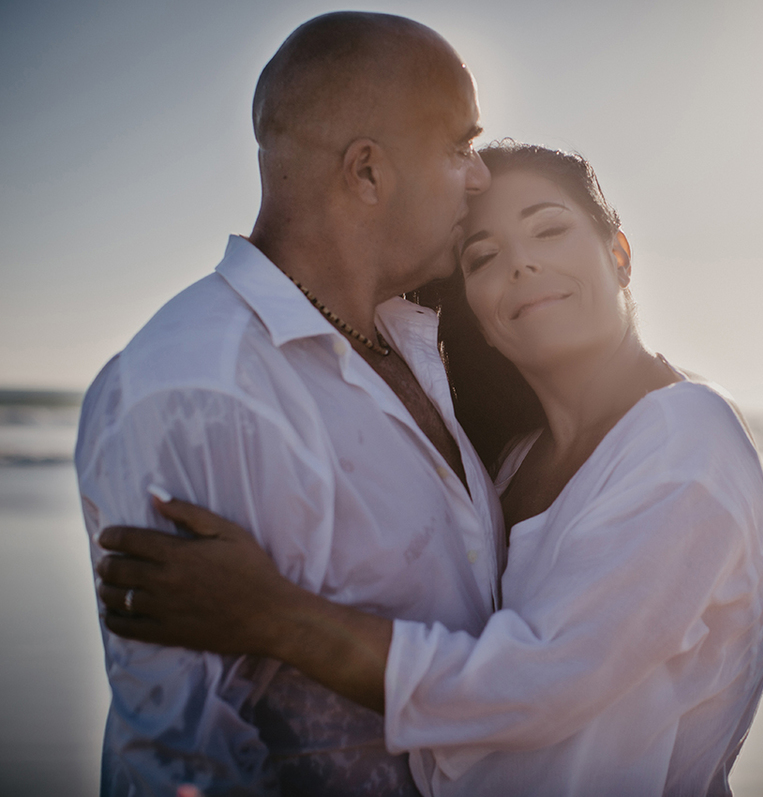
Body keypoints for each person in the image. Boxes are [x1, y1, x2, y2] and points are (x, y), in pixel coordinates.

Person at [96, 142, 763, 796]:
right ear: (476, 313)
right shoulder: (505, 466)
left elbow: (541, 678)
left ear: (619, 254)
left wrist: (271, 616)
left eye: (549, 231)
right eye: (482, 257)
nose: (521, 266)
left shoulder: (687, 435)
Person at [75, 12, 497, 795]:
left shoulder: (410, 338)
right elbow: (177, 764)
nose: (480, 178)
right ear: (367, 172)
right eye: (458, 148)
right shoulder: (197, 385)